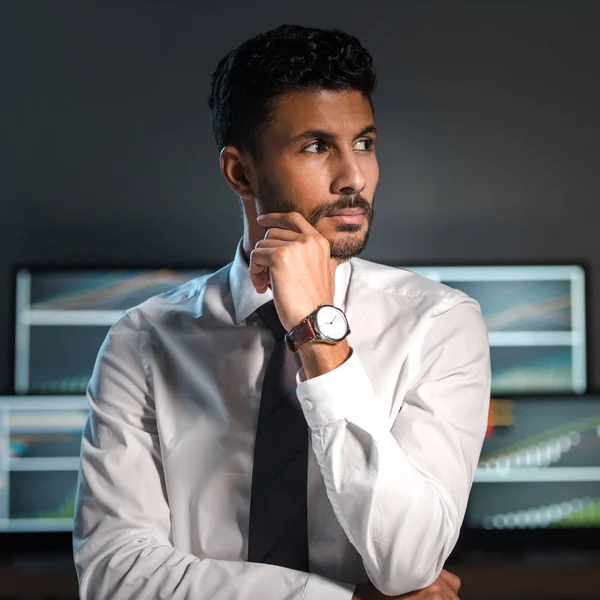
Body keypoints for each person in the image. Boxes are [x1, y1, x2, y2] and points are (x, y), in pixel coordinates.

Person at [73, 24, 491, 600]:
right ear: (241, 173)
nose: (354, 178)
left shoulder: (440, 325)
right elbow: (116, 576)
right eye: (317, 147)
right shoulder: (142, 342)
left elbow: (410, 562)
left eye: (365, 143)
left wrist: (320, 335)